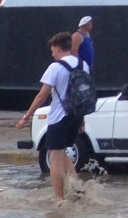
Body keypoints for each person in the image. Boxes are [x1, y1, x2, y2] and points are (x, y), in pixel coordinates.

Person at [16, 32, 84, 203]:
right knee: (63, 153)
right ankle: (78, 189)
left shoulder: (55, 67)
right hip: (75, 116)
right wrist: (82, 118)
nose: (52, 54)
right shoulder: (82, 65)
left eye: (53, 50)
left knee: (54, 157)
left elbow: (42, 96)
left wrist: (26, 116)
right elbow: (82, 94)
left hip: (58, 118)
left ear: (58, 47)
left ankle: (59, 200)